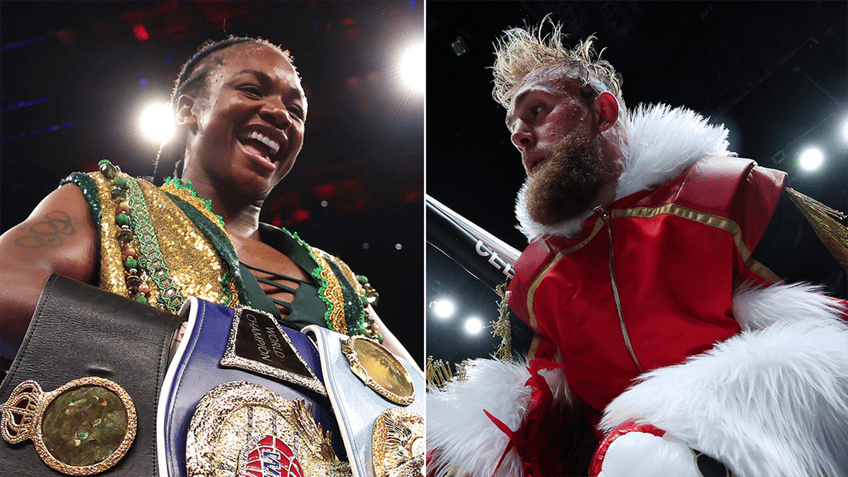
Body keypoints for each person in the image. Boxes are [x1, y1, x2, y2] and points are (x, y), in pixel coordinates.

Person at [427, 19, 848, 477]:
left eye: (537, 110)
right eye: (514, 127)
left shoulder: (727, 195)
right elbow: (547, 435)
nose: (519, 135)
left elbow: (833, 323)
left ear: (603, 110)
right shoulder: (534, 283)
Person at [0, 36, 417, 369]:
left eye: (296, 111)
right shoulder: (113, 202)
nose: (279, 113)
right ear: (188, 109)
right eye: (252, 89)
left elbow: (412, 400)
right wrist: (175, 345)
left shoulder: (335, 277)